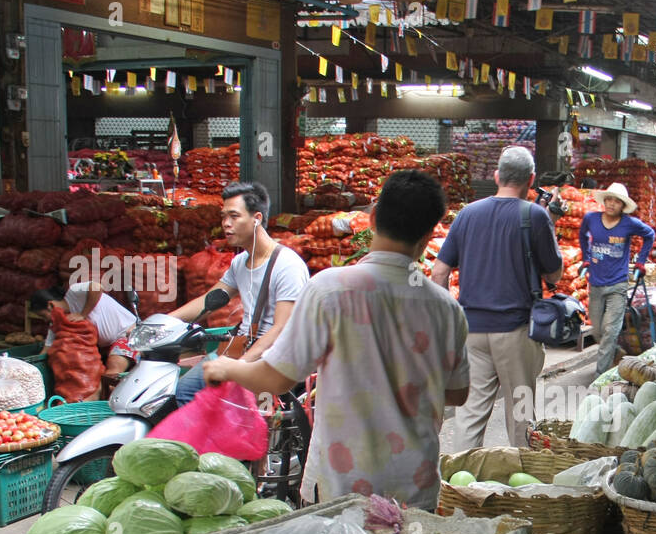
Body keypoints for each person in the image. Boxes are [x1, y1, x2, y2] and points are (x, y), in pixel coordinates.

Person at [201, 170, 468, 511]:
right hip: (413, 487)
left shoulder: (330, 289)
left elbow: (278, 377)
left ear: (372, 218)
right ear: (431, 234)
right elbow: (458, 393)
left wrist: (227, 367)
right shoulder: (446, 308)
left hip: (342, 484)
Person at [432, 146, 563, 449]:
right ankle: (520, 480)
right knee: (520, 414)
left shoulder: (467, 213)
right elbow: (554, 276)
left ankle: (462, 482)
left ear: (496, 176)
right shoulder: (535, 216)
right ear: (531, 180)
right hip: (515, 331)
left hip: (472, 331)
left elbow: (439, 272)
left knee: (469, 413)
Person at [170, 181, 309, 406]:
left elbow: (282, 328)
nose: (226, 224)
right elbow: (209, 300)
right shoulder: (240, 262)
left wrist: (239, 366)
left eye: (234, 216)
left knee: (221, 404)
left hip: (270, 357)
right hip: (241, 347)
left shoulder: (287, 265)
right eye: (224, 216)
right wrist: (165, 320)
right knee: (185, 390)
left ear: (257, 219)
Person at [579, 182, 655, 376]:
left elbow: (650, 235)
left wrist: (640, 262)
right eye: (609, 199)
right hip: (596, 283)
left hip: (618, 284)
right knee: (597, 331)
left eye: (617, 201)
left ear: (623, 206)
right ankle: (616, 354)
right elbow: (582, 236)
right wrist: (587, 258)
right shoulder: (591, 219)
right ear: (604, 201)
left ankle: (599, 376)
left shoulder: (629, 223)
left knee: (610, 331)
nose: (612, 204)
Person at [30, 280, 139, 379]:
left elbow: (97, 287)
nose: (45, 320)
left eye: (44, 316)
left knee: (112, 373)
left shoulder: (74, 292)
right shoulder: (57, 322)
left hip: (127, 334)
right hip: (103, 348)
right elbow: (46, 349)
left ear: (51, 305)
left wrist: (83, 314)